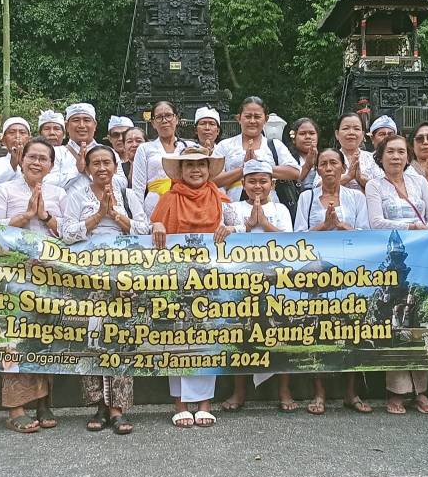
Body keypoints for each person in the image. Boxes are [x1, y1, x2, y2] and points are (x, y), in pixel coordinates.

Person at [60, 145, 150, 435]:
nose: (101, 168)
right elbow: (67, 233)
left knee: (120, 336)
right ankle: (98, 406)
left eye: (106, 163)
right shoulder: (76, 196)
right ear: (86, 168)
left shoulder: (128, 195)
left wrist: (117, 216)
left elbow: (144, 230)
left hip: (124, 275)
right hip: (88, 275)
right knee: (93, 337)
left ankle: (118, 409)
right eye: (95, 163)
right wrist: (99, 215)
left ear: (115, 166)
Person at [150, 146, 239, 427]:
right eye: (189, 166)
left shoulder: (220, 198)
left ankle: (204, 403)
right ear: (180, 171)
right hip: (176, 279)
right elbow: (148, 229)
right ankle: (179, 403)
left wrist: (230, 231)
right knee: (177, 338)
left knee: (206, 337)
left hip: (211, 279)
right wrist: (156, 227)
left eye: (201, 164)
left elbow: (242, 230)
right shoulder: (167, 199)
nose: (196, 170)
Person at [0, 138, 66, 433]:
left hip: (49, 277)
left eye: (43, 158)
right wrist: (24, 217)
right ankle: (16, 408)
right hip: (11, 278)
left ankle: (43, 402)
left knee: (46, 336)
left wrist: (45, 216)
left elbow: (70, 234)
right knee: (15, 339)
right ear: (21, 159)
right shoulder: (4, 190)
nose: (36, 162)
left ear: (52, 165)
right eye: (32, 156)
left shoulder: (59, 192)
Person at [366, 135, 428, 414]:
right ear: (381, 156)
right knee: (393, 318)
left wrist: (424, 232)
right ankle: (396, 391)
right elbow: (375, 223)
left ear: (407, 156)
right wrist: (411, 228)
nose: (396, 157)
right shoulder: (375, 185)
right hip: (392, 262)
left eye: (400, 152)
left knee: (419, 316)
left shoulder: (419, 182)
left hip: (422, 255)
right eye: (390, 152)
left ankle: (422, 391)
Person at [294, 148, 370, 415]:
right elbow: (296, 236)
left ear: (342, 167)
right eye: (323, 163)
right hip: (316, 269)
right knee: (316, 333)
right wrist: (324, 227)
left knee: (350, 329)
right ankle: (319, 392)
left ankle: (351, 392)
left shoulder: (356, 197)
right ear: (318, 169)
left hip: (348, 270)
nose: (328, 168)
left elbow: (368, 234)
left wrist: (344, 227)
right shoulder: (307, 198)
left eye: (333, 163)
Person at [219, 159, 297, 413]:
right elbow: (224, 239)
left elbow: (292, 243)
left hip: (277, 280)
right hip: (243, 280)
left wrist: (264, 224)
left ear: (272, 184)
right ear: (243, 183)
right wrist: (248, 226)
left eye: (263, 181)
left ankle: (284, 391)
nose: (257, 186)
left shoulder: (282, 209)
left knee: (281, 333)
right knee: (242, 334)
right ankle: (239, 392)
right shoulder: (231, 208)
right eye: (252, 181)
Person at [212, 96, 300, 202]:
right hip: (233, 205)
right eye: (248, 116)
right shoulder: (225, 145)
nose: (252, 121)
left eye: (257, 117)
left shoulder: (274, 145)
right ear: (239, 118)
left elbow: (295, 172)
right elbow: (212, 179)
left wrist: (260, 167)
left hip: (269, 205)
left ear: (266, 119)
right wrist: (243, 169)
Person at [133, 101, 196, 216]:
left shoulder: (189, 147)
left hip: (186, 201)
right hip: (155, 203)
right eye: (159, 117)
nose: (164, 120)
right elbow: (138, 187)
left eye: (168, 115)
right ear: (153, 123)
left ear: (176, 119)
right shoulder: (144, 149)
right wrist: (139, 218)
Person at [55, 103, 126, 193]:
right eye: (76, 120)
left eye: (87, 120)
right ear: (67, 126)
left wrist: (97, 172)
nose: (81, 125)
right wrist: (77, 170)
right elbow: (48, 184)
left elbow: (123, 183)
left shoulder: (108, 152)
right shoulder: (56, 153)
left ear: (95, 125)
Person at [0, 117, 32, 194]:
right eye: (12, 132)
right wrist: (12, 166)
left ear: (29, 140)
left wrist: (24, 167)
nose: (17, 136)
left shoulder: (37, 162)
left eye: (22, 132)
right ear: (3, 140)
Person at [336, 112, 384, 191]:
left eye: (356, 129)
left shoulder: (373, 159)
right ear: (337, 134)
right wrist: (347, 177)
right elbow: (317, 186)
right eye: (346, 128)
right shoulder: (329, 157)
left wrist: (361, 179)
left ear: (362, 135)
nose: (351, 132)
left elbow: (382, 188)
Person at [290, 117, 320, 190]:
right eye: (302, 133)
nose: (308, 137)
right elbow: (289, 186)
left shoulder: (326, 157)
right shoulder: (287, 159)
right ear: (294, 139)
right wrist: (307, 165)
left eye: (312, 133)